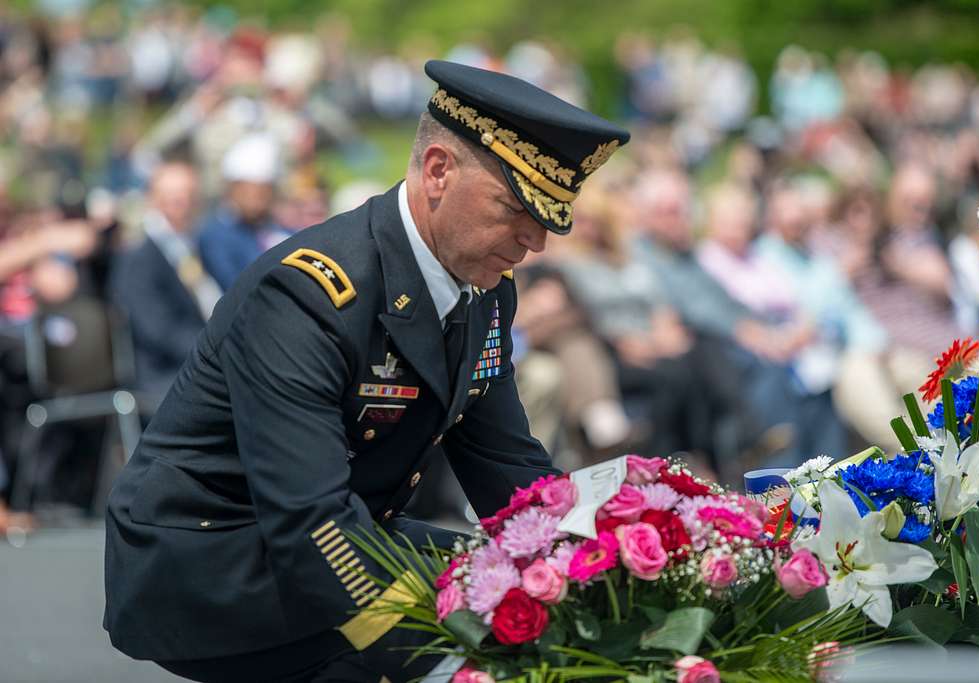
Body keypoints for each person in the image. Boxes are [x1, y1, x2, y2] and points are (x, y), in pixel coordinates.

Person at [103, 59, 629, 682]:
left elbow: (506, 464)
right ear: (438, 171)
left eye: (546, 219)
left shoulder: (482, 288)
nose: (534, 241)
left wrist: (601, 563)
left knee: (530, 604)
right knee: (457, 650)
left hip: (338, 533)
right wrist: (437, 657)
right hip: (210, 558)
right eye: (516, 207)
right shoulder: (308, 296)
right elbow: (308, 521)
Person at [111, 161, 221, 399]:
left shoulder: (194, 247)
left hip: (200, 362)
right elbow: (158, 332)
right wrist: (217, 351)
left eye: (188, 195)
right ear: (153, 199)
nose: (182, 204)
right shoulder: (139, 256)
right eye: (171, 197)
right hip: (165, 376)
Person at [197, 132, 292, 291]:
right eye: (249, 190)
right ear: (233, 189)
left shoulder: (282, 232)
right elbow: (235, 285)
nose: (258, 199)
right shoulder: (215, 236)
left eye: (264, 191)